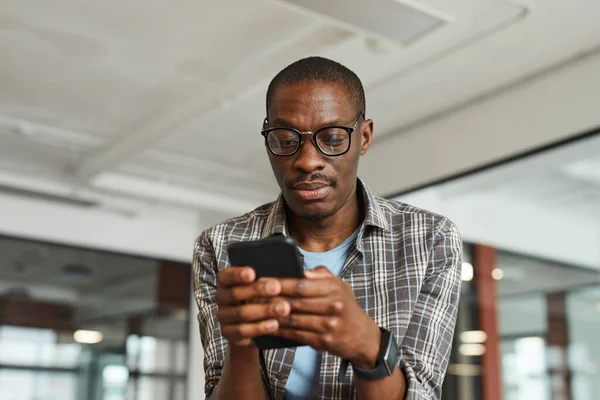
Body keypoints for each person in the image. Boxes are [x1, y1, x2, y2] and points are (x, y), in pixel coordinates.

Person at [193, 56, 462, 400]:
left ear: (364, 137)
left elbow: (421, 393)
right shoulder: (220, 245)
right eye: (286, 139)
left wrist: (367, 344)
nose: (307, 160)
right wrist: (242, 343)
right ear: (267, 140)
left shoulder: (429, 239)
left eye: (333, 138)